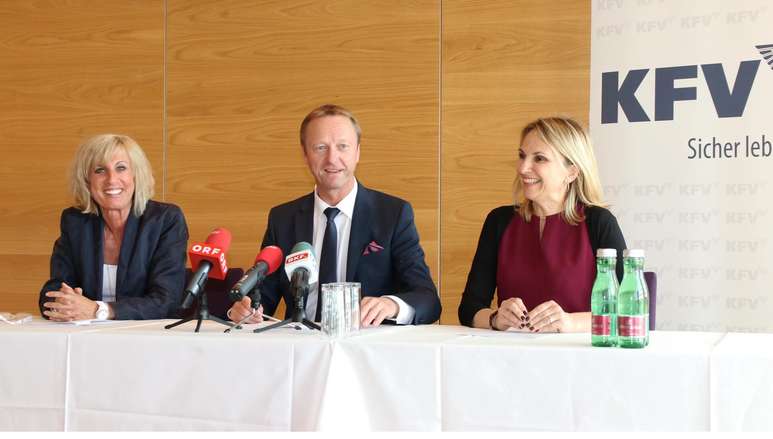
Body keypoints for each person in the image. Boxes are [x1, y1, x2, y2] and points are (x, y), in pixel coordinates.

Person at [228, 104, 441, 326]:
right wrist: (245, 309)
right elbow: (262, 297)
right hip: (299, 349)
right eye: (320, 147)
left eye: (343, 147)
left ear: (357, 152)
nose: (332, 159)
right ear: (305, 154)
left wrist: (391, 304)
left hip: (366, 349)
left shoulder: (392, 214)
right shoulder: (283, 219)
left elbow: (427, 299)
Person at [458, 117, 626, 333]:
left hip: (581, 359)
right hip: (511, 357)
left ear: (572, 172)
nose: (523, 168)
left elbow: (629, 312)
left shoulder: (599, 222)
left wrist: (571, 322)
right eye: (522, 156)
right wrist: (495, 318)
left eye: (539, 158)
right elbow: (469, 309)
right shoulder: (499, 221)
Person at [39, 134, 189, 321]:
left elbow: (166, 301)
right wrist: (65, 303)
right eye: (100, 170)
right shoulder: (75, 221)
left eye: (121, 168)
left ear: (136, 175)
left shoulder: (164, 220)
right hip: (88, 337)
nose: (111, 179)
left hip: (147, 337)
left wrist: (99, 310)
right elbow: (53, 290)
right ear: (87, 180)